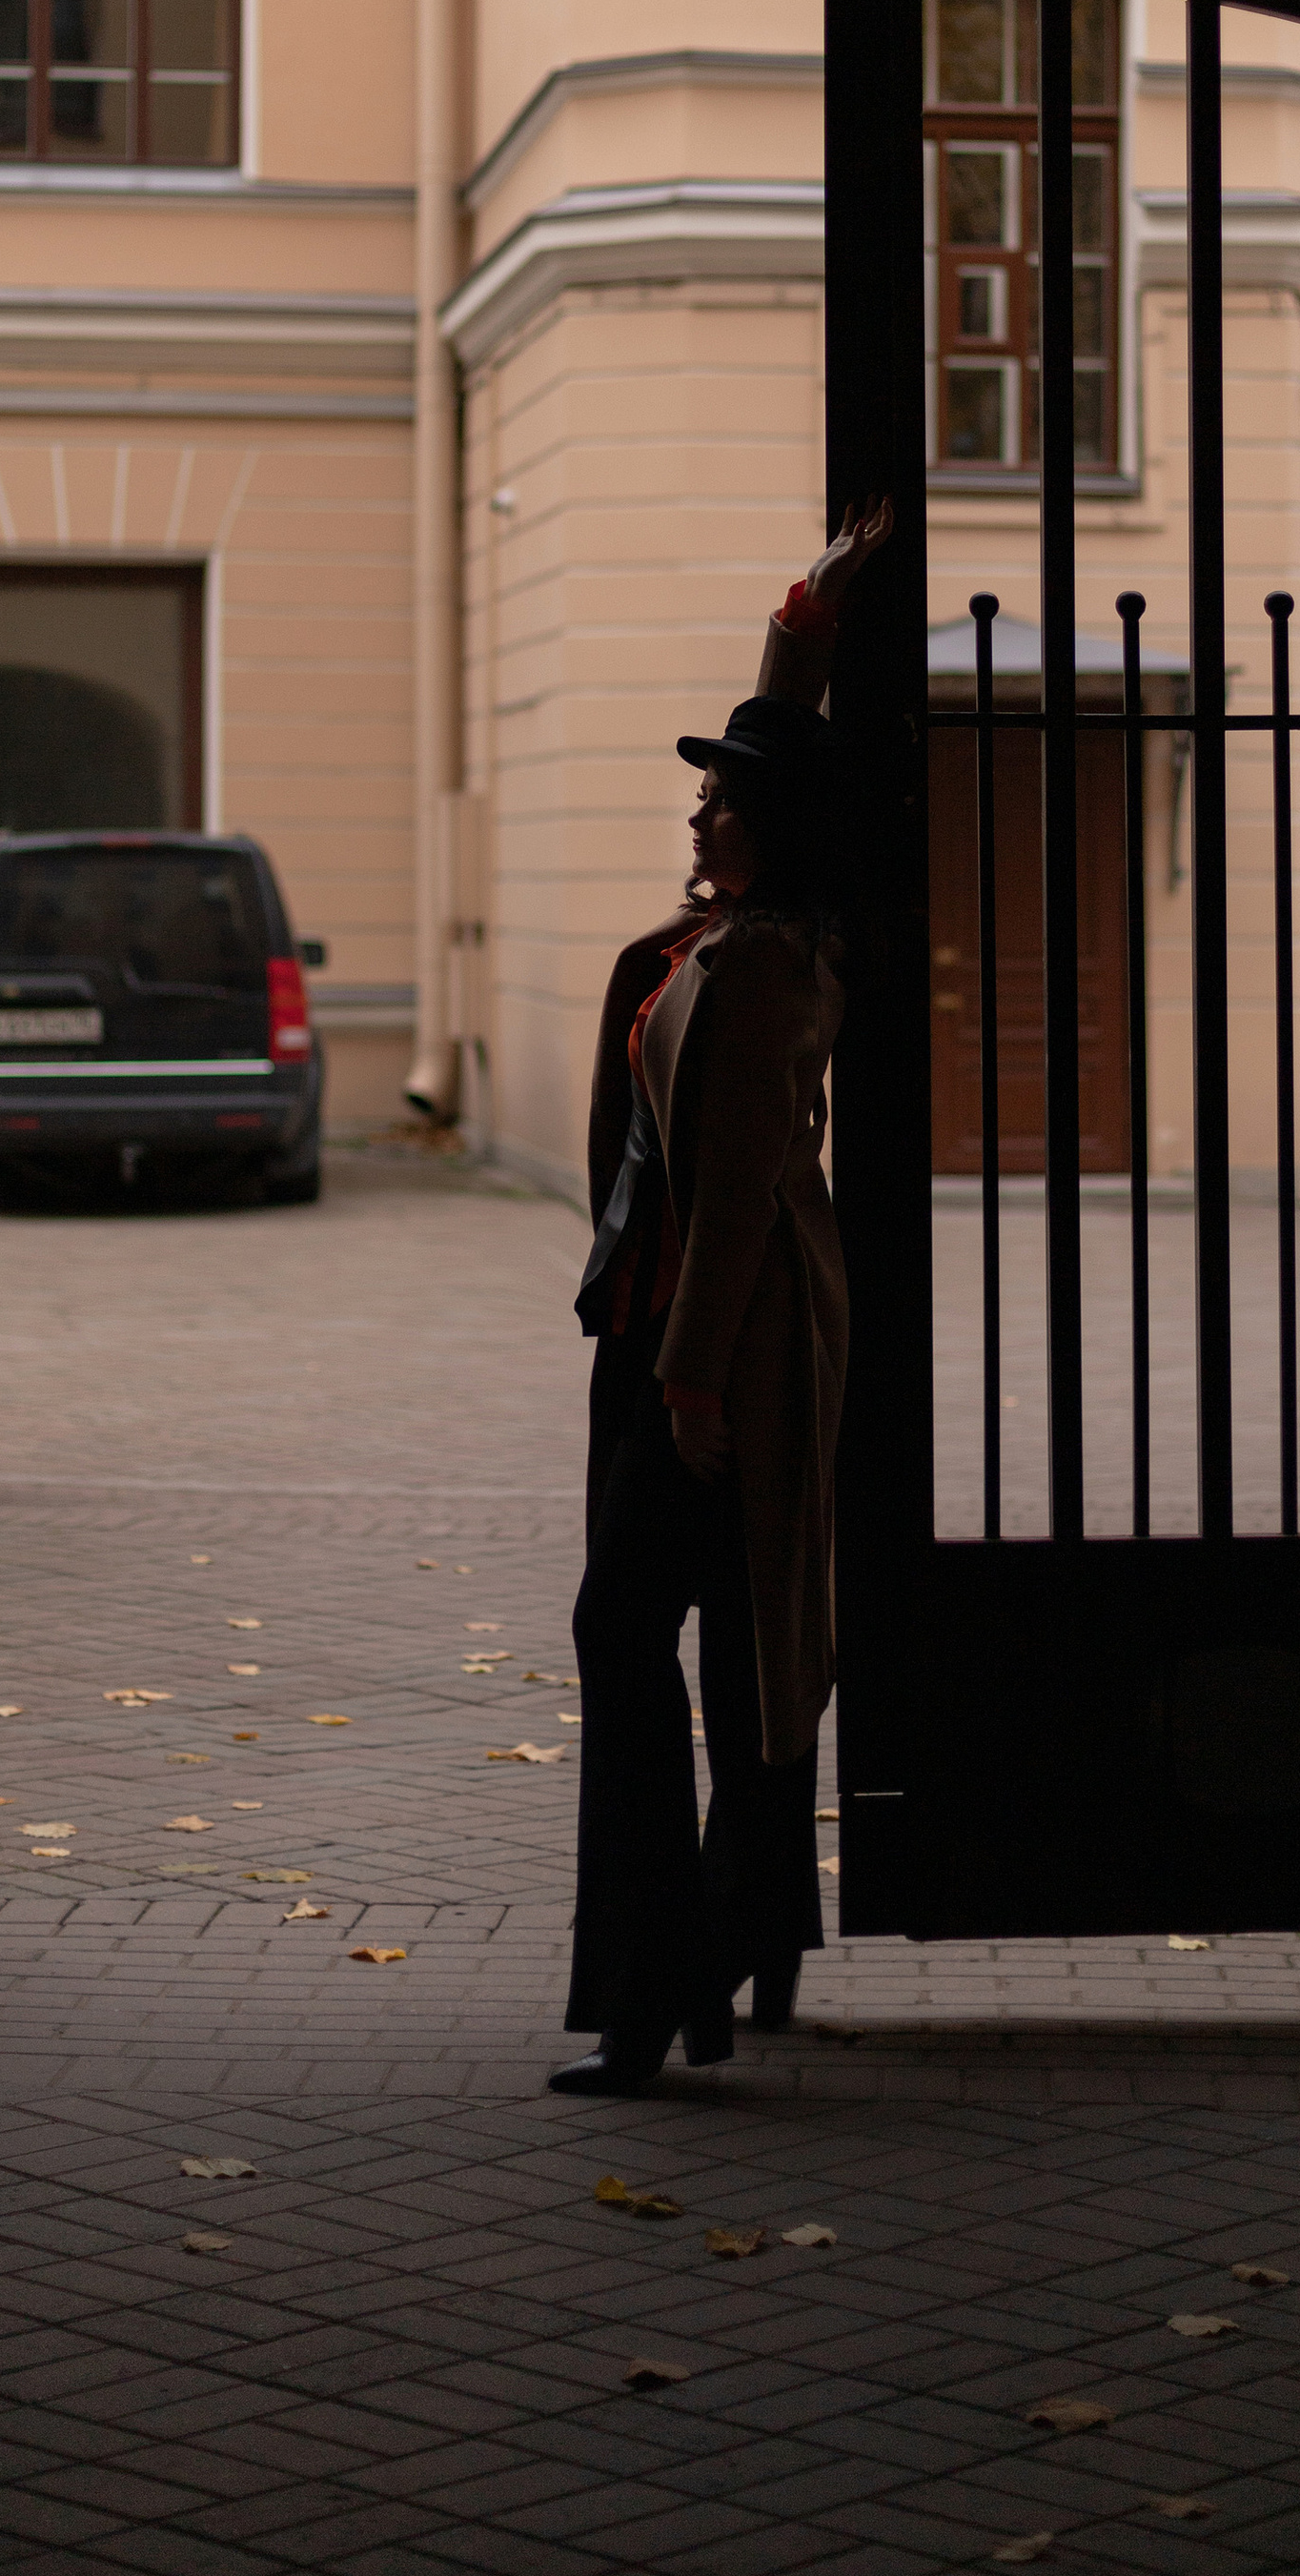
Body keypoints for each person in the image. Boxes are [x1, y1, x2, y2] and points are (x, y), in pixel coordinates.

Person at [551, 498, 893, 2099]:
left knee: (634, 1633)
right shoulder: (734, 935)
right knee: (719, 1650)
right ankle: (718, 1949)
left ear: (775, 829)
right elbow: (780, 746)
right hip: (660, 1336)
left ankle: (659, 1981)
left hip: (718, 1356)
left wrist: (686, 1382)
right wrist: (803, 625)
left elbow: (743, 1193)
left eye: (723, 800)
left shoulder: (760, 969)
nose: (699, 810)